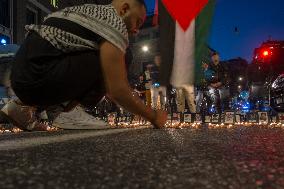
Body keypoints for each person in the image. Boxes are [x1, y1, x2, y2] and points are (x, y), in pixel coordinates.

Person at [0, 0, 167, 131]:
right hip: (38, 77)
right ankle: (67, 112)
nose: (136, 30)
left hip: (22, 76)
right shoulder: (114, 22)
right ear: (124, 10)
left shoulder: (91, 12)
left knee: (106, 54)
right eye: (137, 22)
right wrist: (153, 115)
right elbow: (117, 89)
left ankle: (21, 107)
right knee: (123, 55)